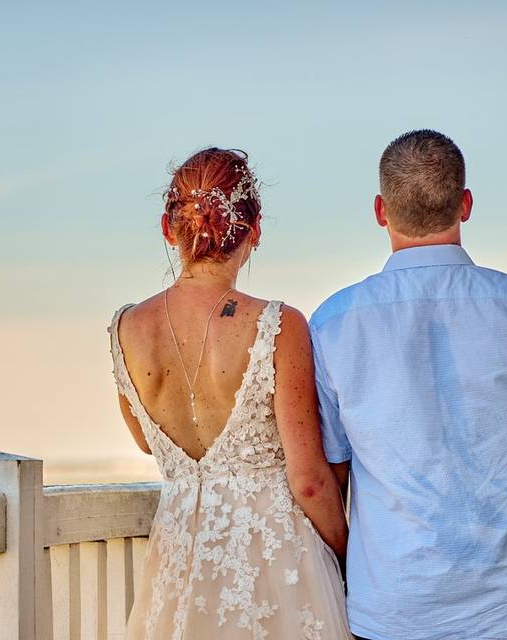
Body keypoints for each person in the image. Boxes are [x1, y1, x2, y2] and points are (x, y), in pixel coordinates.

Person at [309, 130, 507, 640]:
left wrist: (346, 571)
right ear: (465, 204)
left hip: (390, 608)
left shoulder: (334, 323)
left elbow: (331, 474)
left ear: (381, 211)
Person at [108, 147, 352, 639]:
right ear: (254, 231)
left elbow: (143, 440)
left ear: (167, 227)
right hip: (276, 560)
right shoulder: (276, 324)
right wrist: (351, 558)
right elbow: (308, 480)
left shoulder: (126, 328)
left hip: (180, 562)